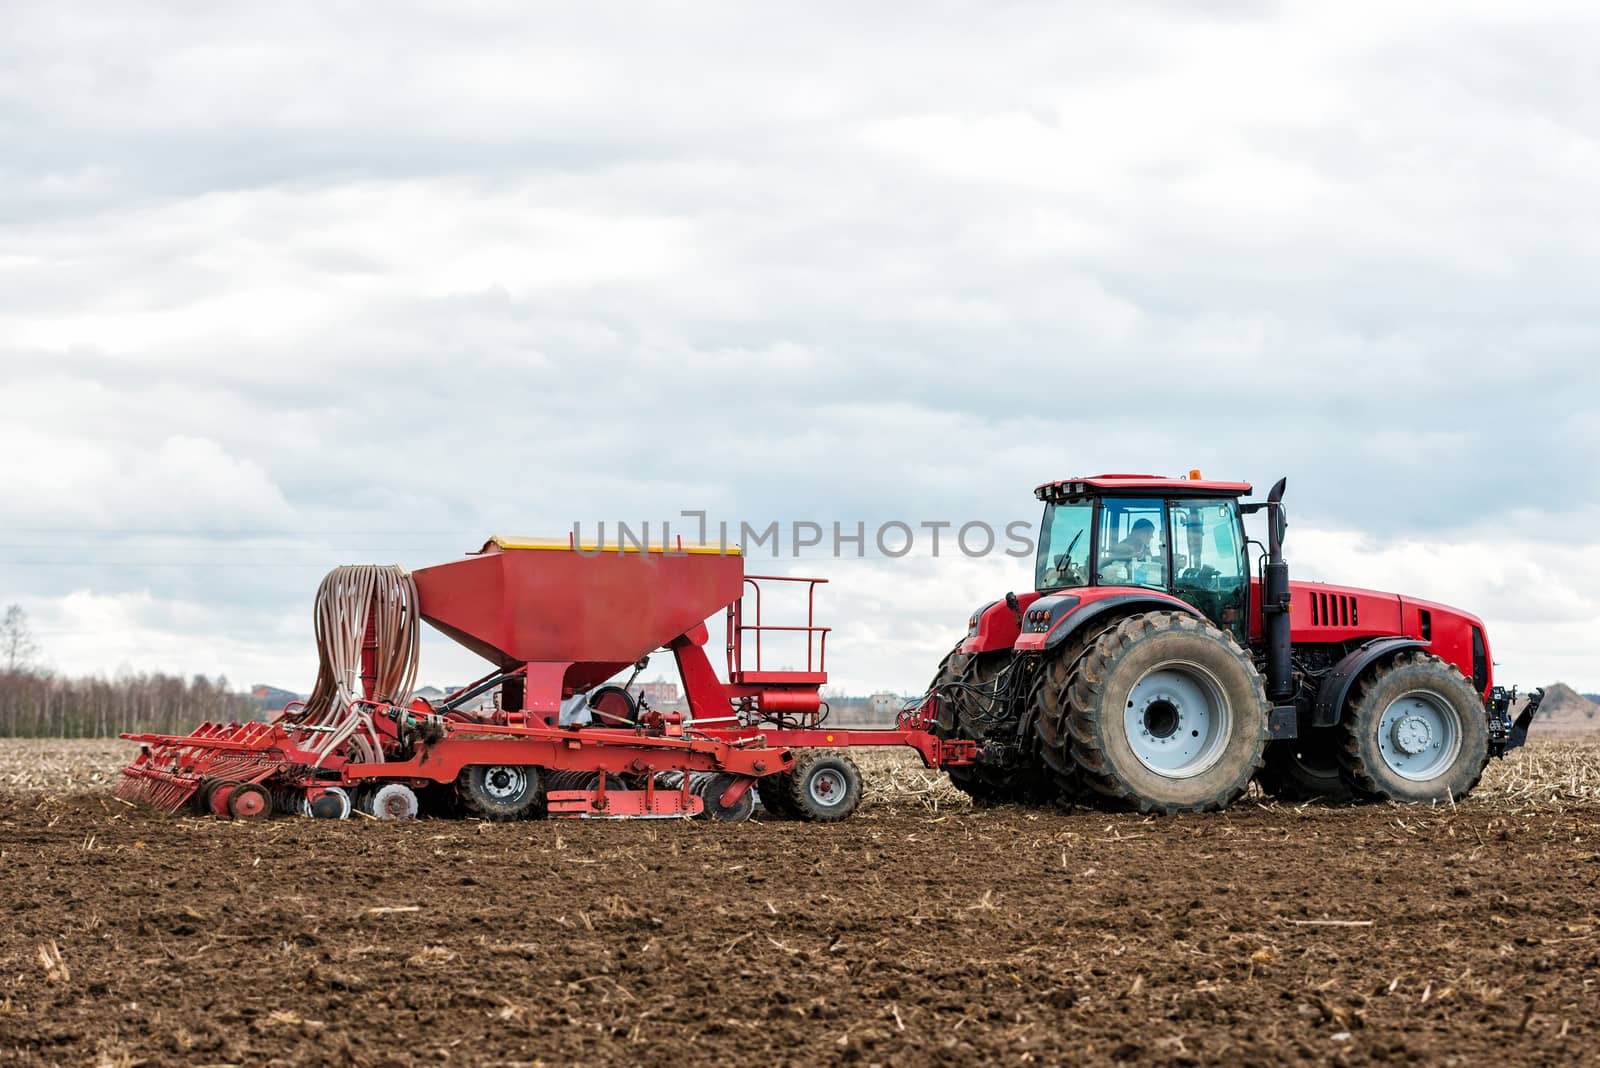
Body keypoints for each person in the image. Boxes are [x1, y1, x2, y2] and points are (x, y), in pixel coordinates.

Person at [1099, 517, 1162, 583]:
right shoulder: (1122, 547)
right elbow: (1110, 560)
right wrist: (1131, 556)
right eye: (1149, 533)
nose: (1151, 536)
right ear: (1138, 532)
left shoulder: (1144, 548)